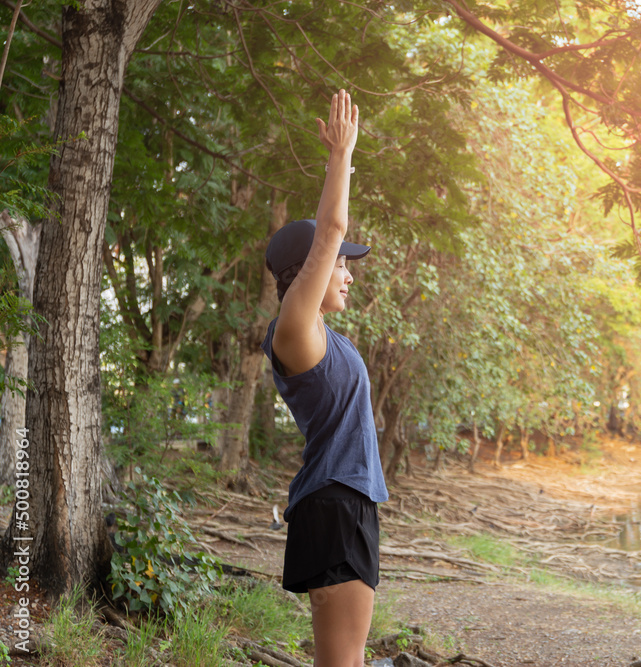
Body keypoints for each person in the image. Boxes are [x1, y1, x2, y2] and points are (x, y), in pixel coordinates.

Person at [260, 89, 388, 667]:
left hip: (344, 502)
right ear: (307, 268)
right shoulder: (295, 331)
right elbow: (332, 226)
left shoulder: (324, 339)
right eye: (340, 263)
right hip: (335, 505)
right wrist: (341, 156)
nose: (348, 275)